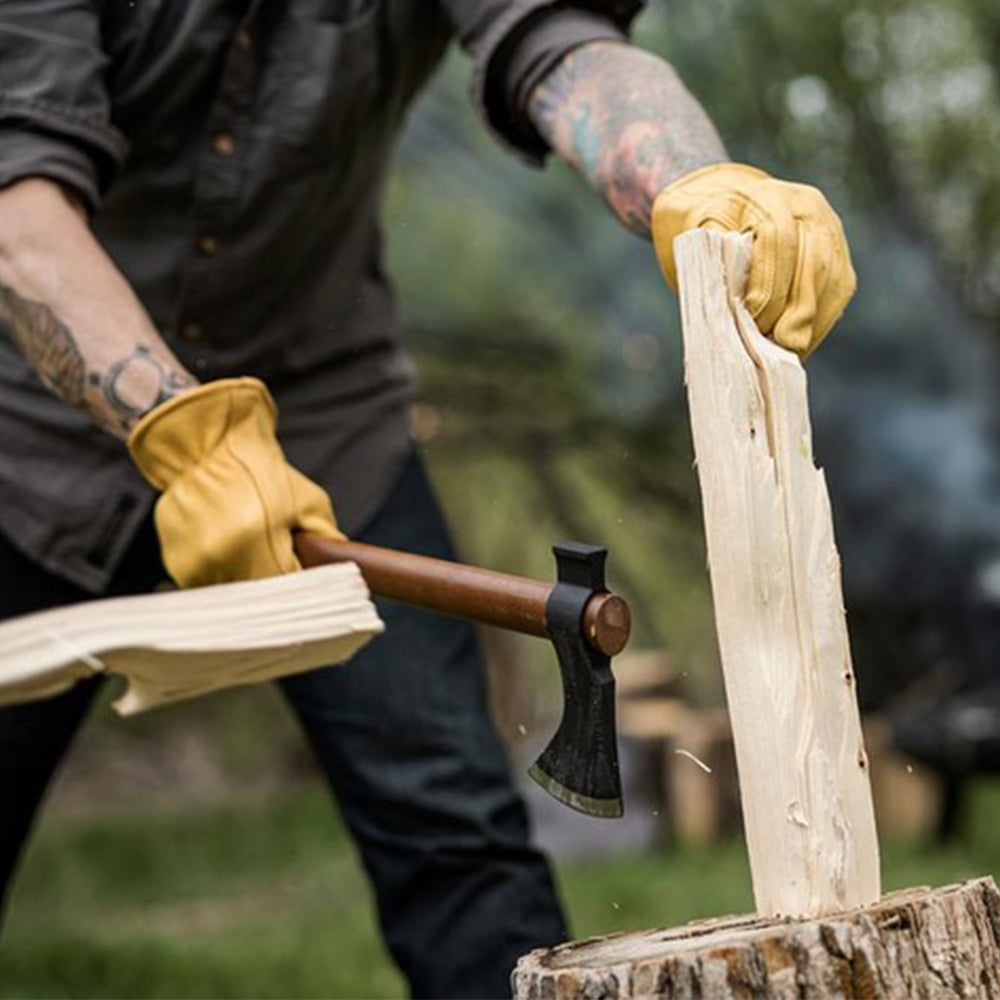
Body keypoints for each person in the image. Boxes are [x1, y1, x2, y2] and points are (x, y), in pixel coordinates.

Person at [0, 1, 856, 996]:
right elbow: (18, 203)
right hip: (27, 439)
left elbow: (555, 39)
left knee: (457, 833)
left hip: (326, 420)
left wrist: (695, 182)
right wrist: (182, 431)